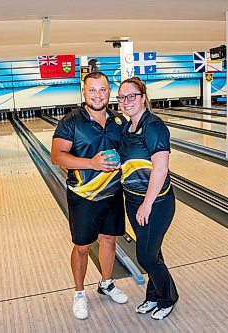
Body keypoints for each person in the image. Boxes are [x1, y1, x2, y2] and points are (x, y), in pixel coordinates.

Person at [51, 71, 128, 320]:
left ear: (109, 92)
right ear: (83, 92)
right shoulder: (71, 121)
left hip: (113, 193)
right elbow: (57, 156)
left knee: (109, 240)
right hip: (83, 195)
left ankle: (106, 283)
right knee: (82, 247)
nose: (98, 95)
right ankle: (79, 292)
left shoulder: (119, 121)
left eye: (102, 89)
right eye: (92, 90)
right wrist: (91, 163)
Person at [117, 76, 179, 320]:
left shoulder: (153, 126)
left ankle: (168, 297)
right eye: (122, 97)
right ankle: (153, 296)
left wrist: (147, 204)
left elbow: (160, 169)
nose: (126, 101)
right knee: (153, 253)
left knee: (145, 256)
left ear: (143, 97)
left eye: (131, 96)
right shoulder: (126, 126)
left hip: (157, 203)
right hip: (132, 201)